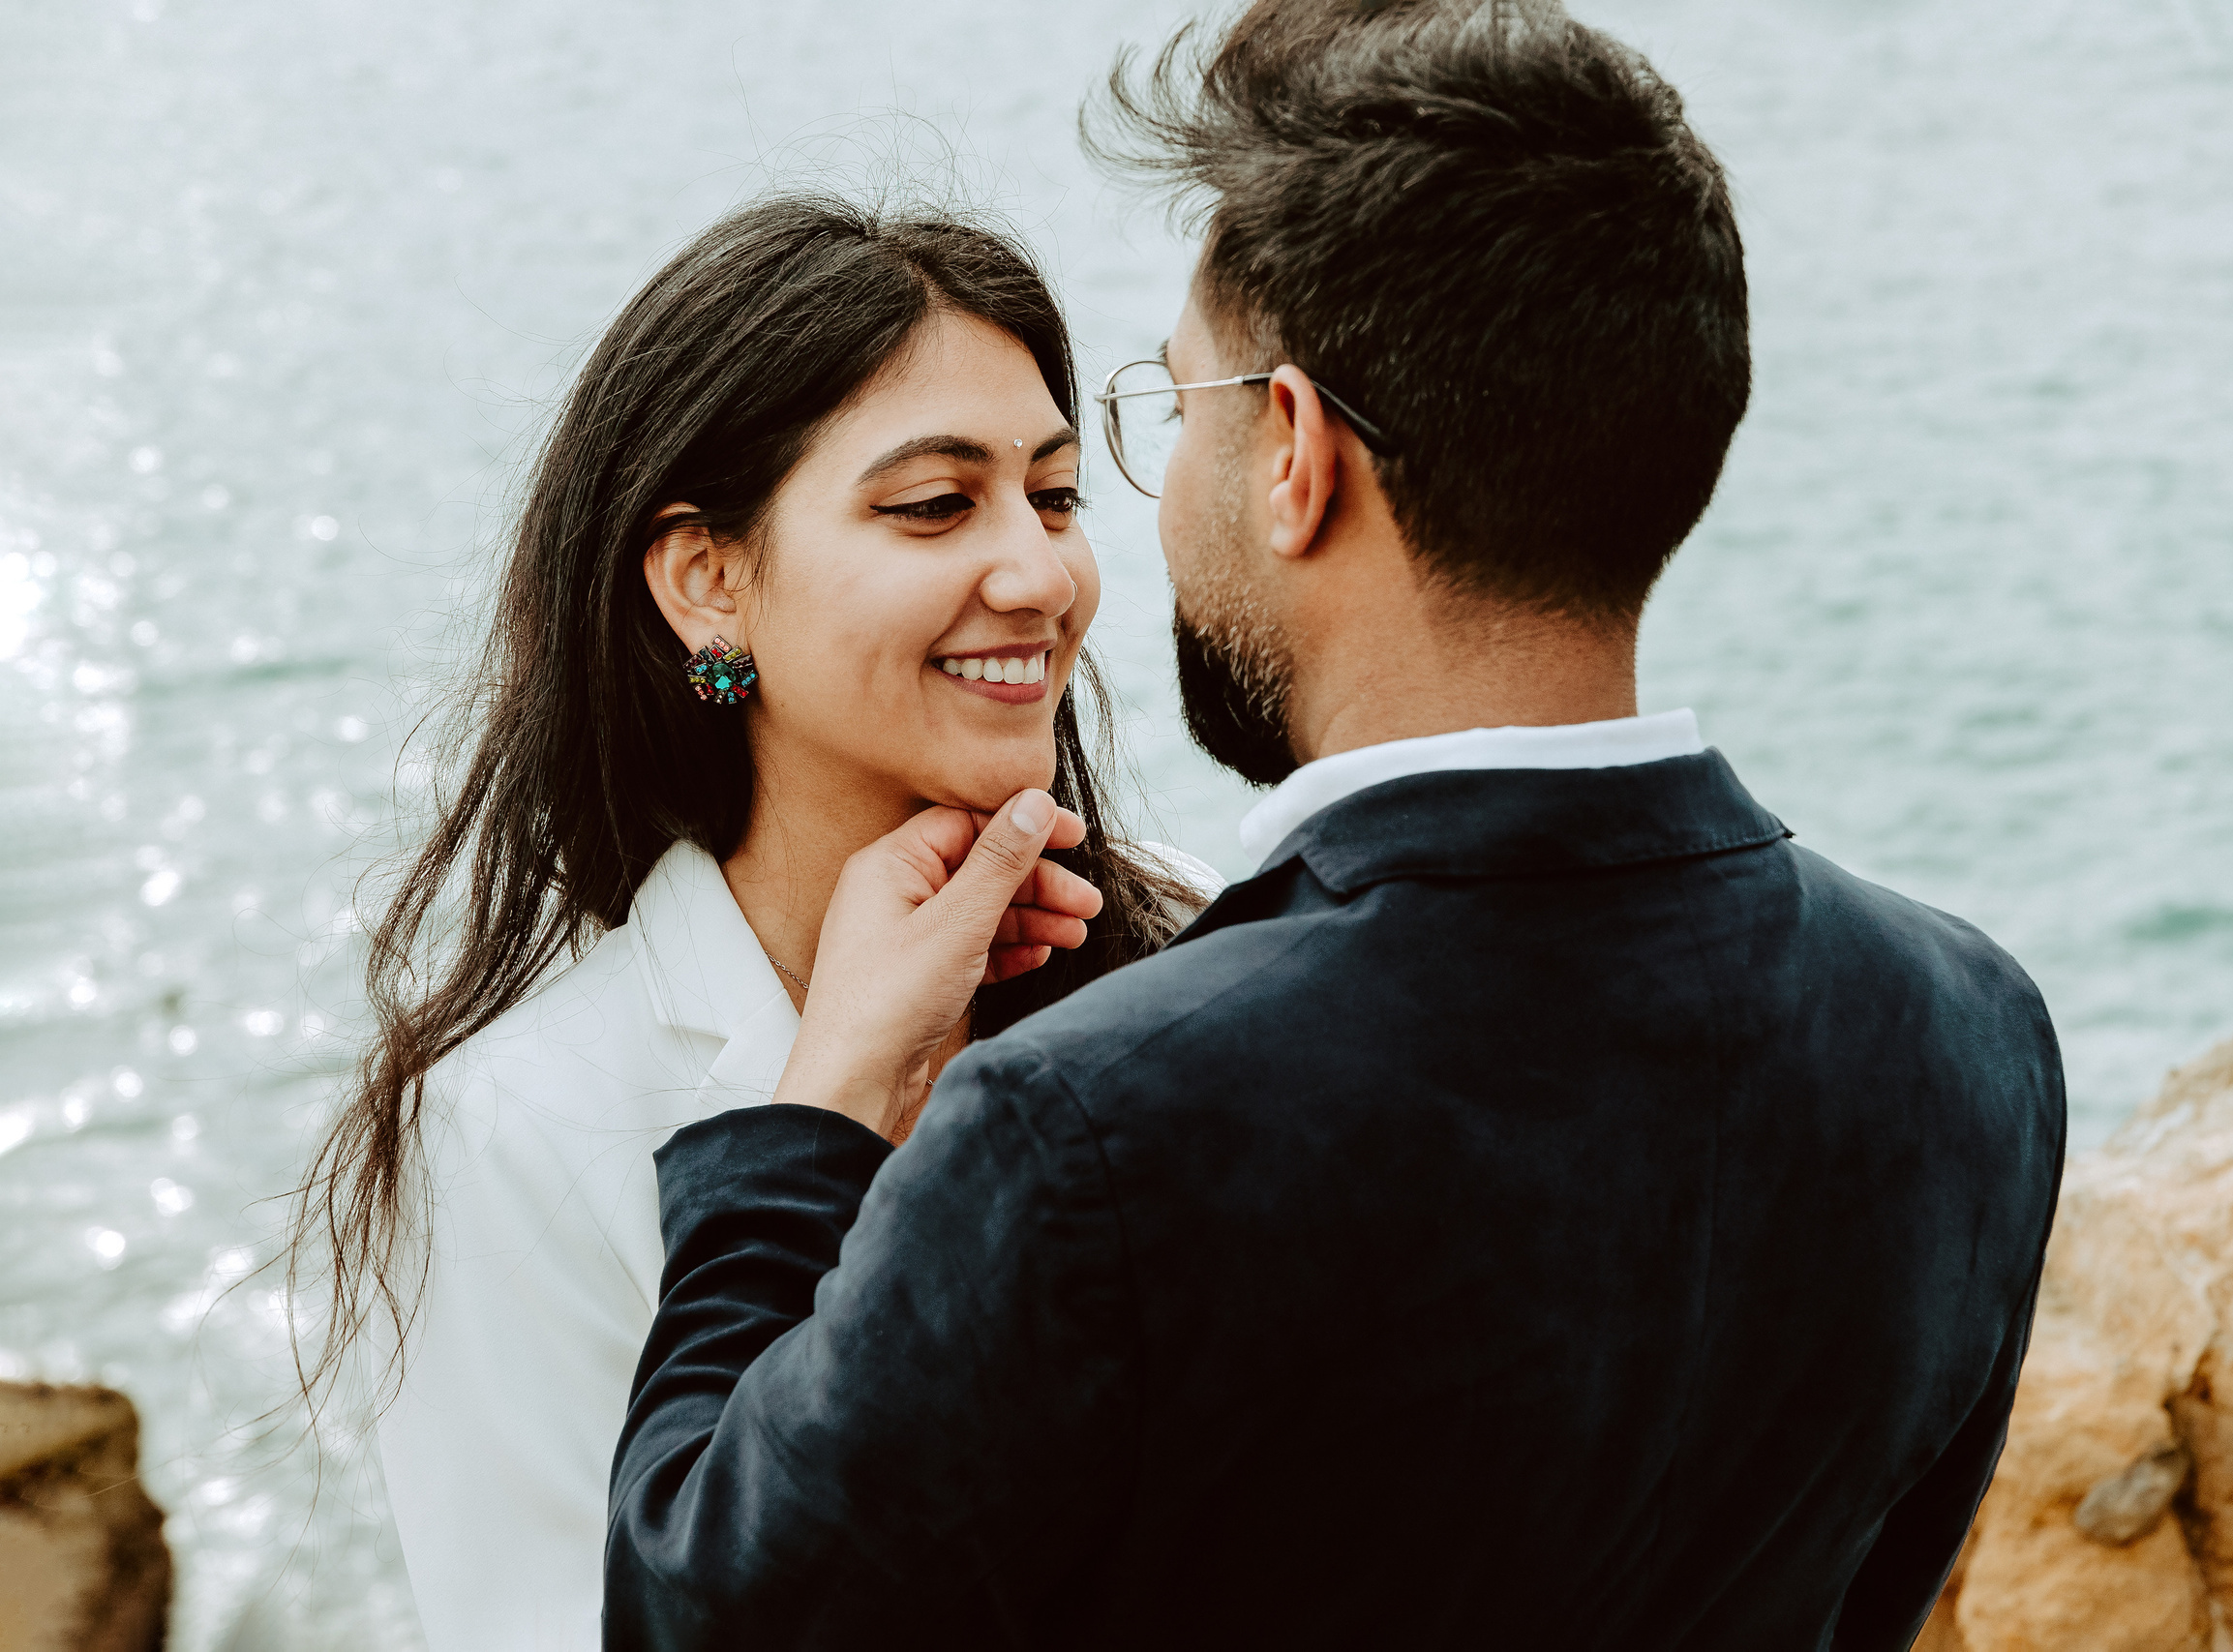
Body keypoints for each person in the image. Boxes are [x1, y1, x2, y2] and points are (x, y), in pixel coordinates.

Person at [606, 2, 2068, 1647]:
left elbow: (699, 1614)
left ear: (1293, 451)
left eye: (1178, 408)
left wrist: (815, 1125)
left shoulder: (1088, 1128)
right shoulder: (1971, 1033)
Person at [280, 197, 1216, 1651]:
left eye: (1055, 493)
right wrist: (830, 1100)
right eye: (931, 505)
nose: (1039, 573)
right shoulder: (515, 1127)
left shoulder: (1187, 948)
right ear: (710, 584)